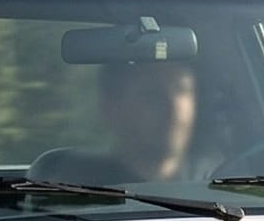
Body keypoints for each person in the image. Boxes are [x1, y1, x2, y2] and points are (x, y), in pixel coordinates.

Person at [30, 54, 202, 185]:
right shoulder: (68, 188)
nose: (173, 107)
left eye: (182, 89)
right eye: (152, 94)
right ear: (111, 108)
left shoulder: (215, 185)